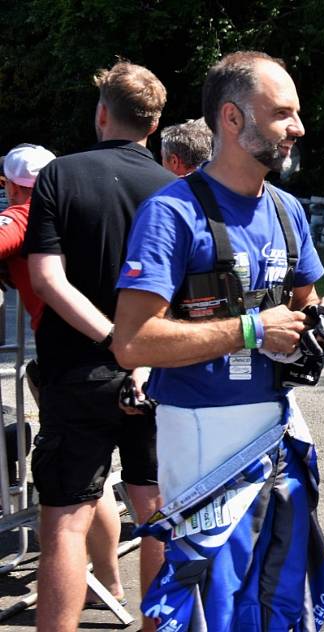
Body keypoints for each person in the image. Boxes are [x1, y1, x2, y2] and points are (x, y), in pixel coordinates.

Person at [112, 50, 324, 629]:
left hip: (277, 426)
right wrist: (250, 329)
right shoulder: (171, 212)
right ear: (232, 119)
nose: (298, 127)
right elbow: (132, 342)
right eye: (283, 114)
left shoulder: (287, 209)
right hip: (200, 432)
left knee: (275, 594)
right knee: (208, 604)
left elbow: (305, 303)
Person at [23, 61, 176, 632]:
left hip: (77, 371)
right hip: (155, 372)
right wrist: (137, 349)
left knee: (64, 518)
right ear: (154, 124)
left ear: (101, 113)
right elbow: (188, 294)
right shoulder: (176, 190)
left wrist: (114, 339)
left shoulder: (59, 176)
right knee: (157, 510)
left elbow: (46, 279)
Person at [0, 144, 55, 331]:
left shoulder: (22, 215)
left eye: (3, 182)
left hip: (59, 336)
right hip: (110, 326)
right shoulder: (70, 209)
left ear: (13, 187)